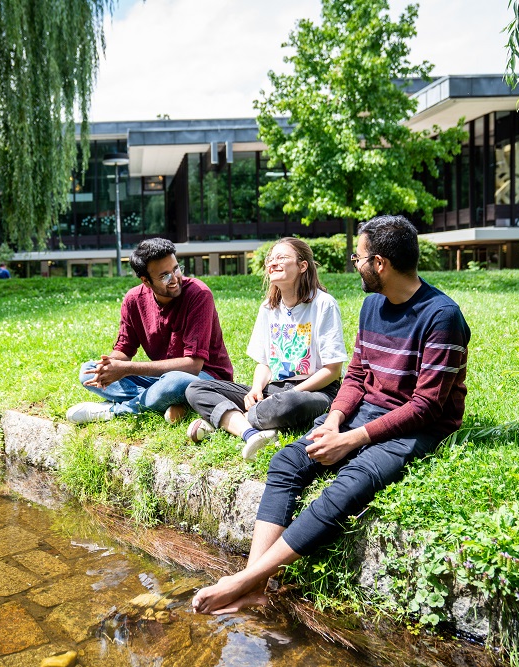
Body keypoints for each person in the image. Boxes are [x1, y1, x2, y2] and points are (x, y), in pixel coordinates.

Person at [191, 215, 470, 615]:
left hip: (416, 427)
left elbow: (426, 406)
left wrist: (353, 439)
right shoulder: (373, 305)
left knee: (343, 489)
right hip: (364, 412)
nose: (352, 264)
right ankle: (254, 583)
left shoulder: (442, 316)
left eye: (357, 257)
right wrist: (336, 420)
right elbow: (356, 375)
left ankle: (245, 581)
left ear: (380, 264)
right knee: (288, 461)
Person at [184, 238, 349, 461]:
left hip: (314, 392)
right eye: (270, 259)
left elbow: (333, 370)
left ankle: (231, 422)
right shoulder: (268, 308)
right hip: (274, 391)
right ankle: (253, 429)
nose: (272, 263)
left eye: (281, 258)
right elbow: (265, 362)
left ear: (302, 266)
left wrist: (292, 393)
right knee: (196, 388)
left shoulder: (323, 304)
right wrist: (256, 389)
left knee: (288, 404)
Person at [66, 237, 234, 424]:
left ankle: (115, 411)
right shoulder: (133, 299)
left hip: (207, 378)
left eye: (176, 269)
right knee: (88, 371)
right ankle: (164, 401)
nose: (174, 279)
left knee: (174, 382)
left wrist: (127, 369)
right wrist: (109, 367)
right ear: (146, 281)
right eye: (164, 276)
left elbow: (193, 365)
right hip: (161, 378)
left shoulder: (198, 294)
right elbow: (124, 348)